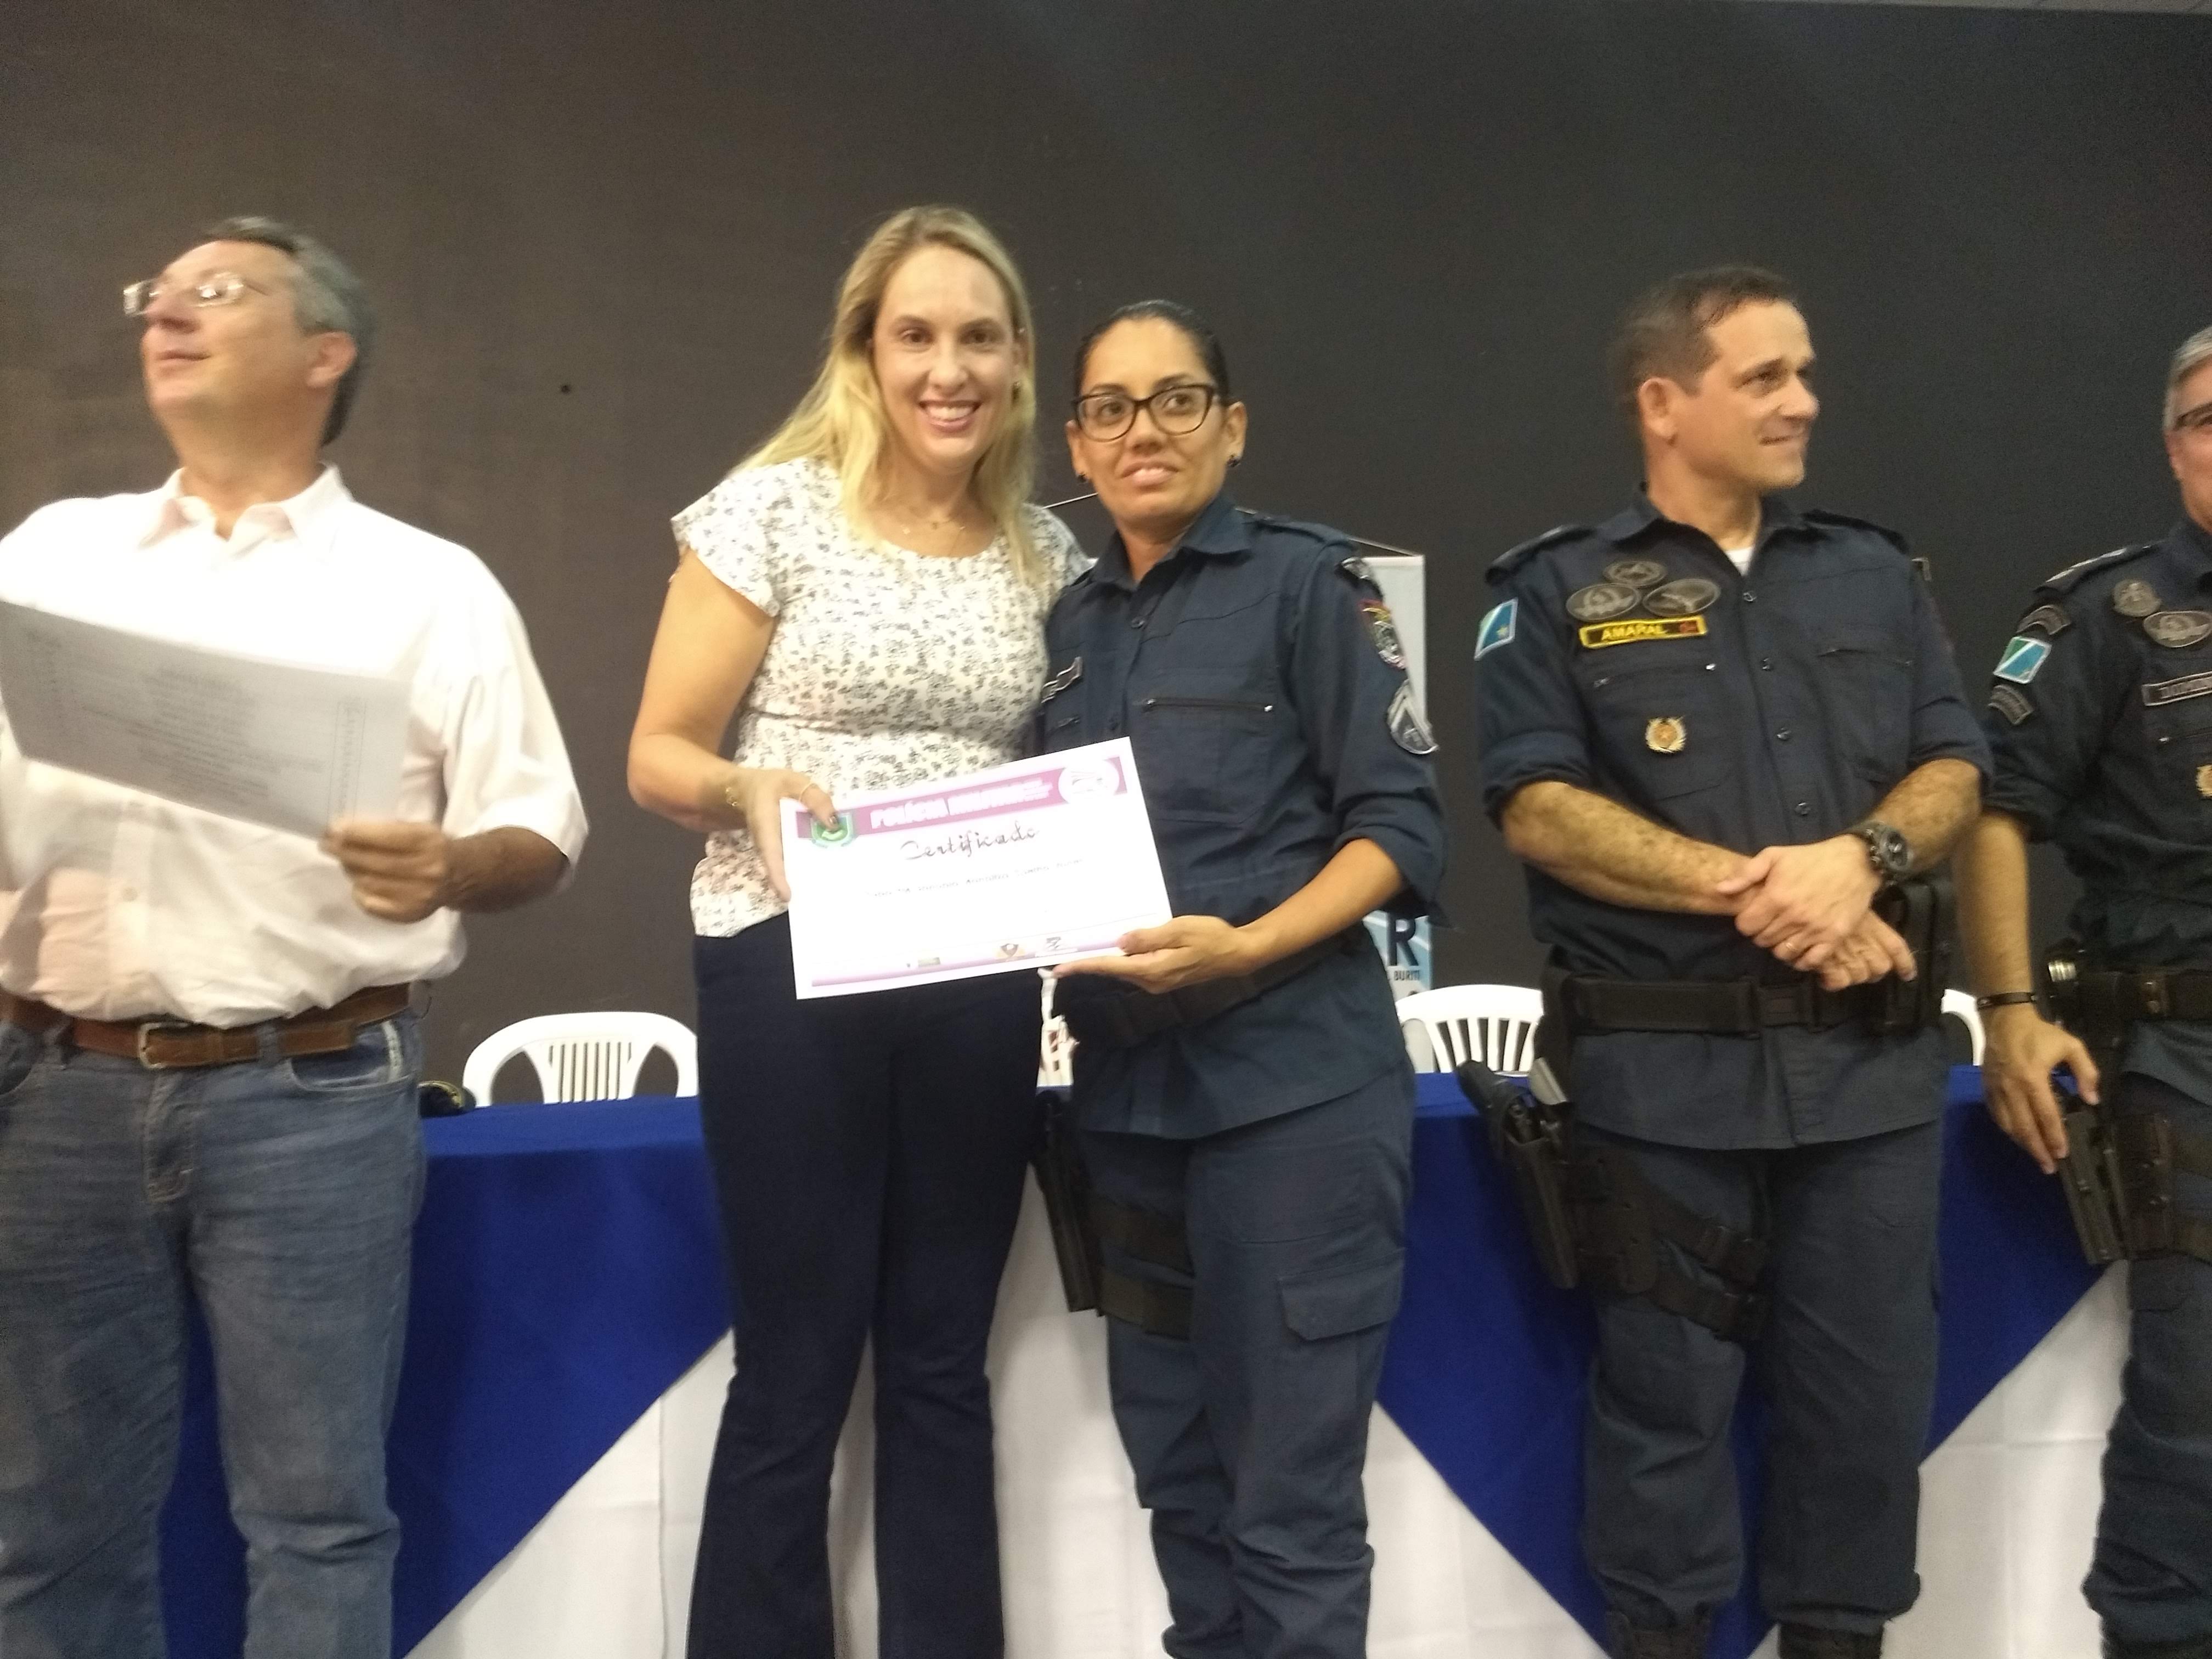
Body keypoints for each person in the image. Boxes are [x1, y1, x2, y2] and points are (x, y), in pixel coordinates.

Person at [0, 217, 586, 1659]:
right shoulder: (52, 555)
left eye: (216, 292)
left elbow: (539, 830)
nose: (166, 313)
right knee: (48, 1522)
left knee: (316, 1519)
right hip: (55, 1092)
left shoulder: (427, 586)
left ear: (326, 354)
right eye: (156, 293)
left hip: (309, 1095)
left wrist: (452, 864)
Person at [1471, 266, 1988, 1659]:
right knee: (1663, 1415)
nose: (1802, 399)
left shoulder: (1874, 574)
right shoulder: (1554, 590)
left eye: (1803, 371)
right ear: (1663, 403)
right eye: (1764, 376)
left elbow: (1956, 766)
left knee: (1866, 1416)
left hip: (1868, 1083)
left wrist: (1861, 859)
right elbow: (1537, 808)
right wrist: (1765, 889)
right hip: (1663, 1084)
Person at [626, 205, 1084, 1658]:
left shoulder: (1048, 553)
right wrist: (744, 786)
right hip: (789, 955)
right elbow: (656, 754)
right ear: (865, 353)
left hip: (975, 974)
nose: (949, 369)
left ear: (1019, 361)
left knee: (942, 1364)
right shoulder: (770, 513)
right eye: (916, 335)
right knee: (797, 1367)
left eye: (979, 338)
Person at [1040, 300, 1446, 1659]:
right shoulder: (1066, 626)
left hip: (1293, 1101)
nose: (1142, 431)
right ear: (1076, 445)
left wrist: (1253, 942)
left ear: (1232, 426)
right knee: (1181, 1488)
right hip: (1127, 1110)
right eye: (1109, 408)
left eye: (1176, 400)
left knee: (1290, 1509)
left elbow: (1401, 829)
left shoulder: (1318, 586)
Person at [1955, 323, 2212, 1659]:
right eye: (2210, 420)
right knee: (2197, 1402)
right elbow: (1995, 813)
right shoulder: (2109, 616)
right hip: (2185, 1051)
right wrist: (2008, 1010)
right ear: (2175, 449)